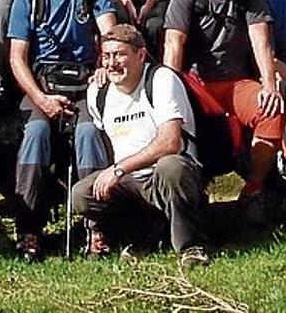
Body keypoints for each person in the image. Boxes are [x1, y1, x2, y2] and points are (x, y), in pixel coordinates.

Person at [7, 0, 117, 260]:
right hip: (43, 84)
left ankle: (96, 227)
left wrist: (104, 64)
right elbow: (16, 57)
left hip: (86, 84)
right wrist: (41, 99)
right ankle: (28, 230)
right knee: (37, 131)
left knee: (88, 132)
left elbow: (110, 32)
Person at [162, 0, 285, 224]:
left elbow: (261, 40)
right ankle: (204, 202)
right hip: (196, 83)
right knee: (199, 130)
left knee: (272, 111)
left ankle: (252, 189)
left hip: (237, 82)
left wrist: (269, 85)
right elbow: (173, 44)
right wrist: (167, 94)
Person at [74, 25, 210, 266]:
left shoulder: (161, 79)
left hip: (171, 174)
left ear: (141, 55)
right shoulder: (97, 91)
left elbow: (171, 142)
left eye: (120, 55)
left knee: (170, 167)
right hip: (131, 183)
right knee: (82, 195)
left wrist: (117, 170)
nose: (112, 63)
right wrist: (111, 174)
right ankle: (142, 236)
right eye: (106, 56)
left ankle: (191, 247)